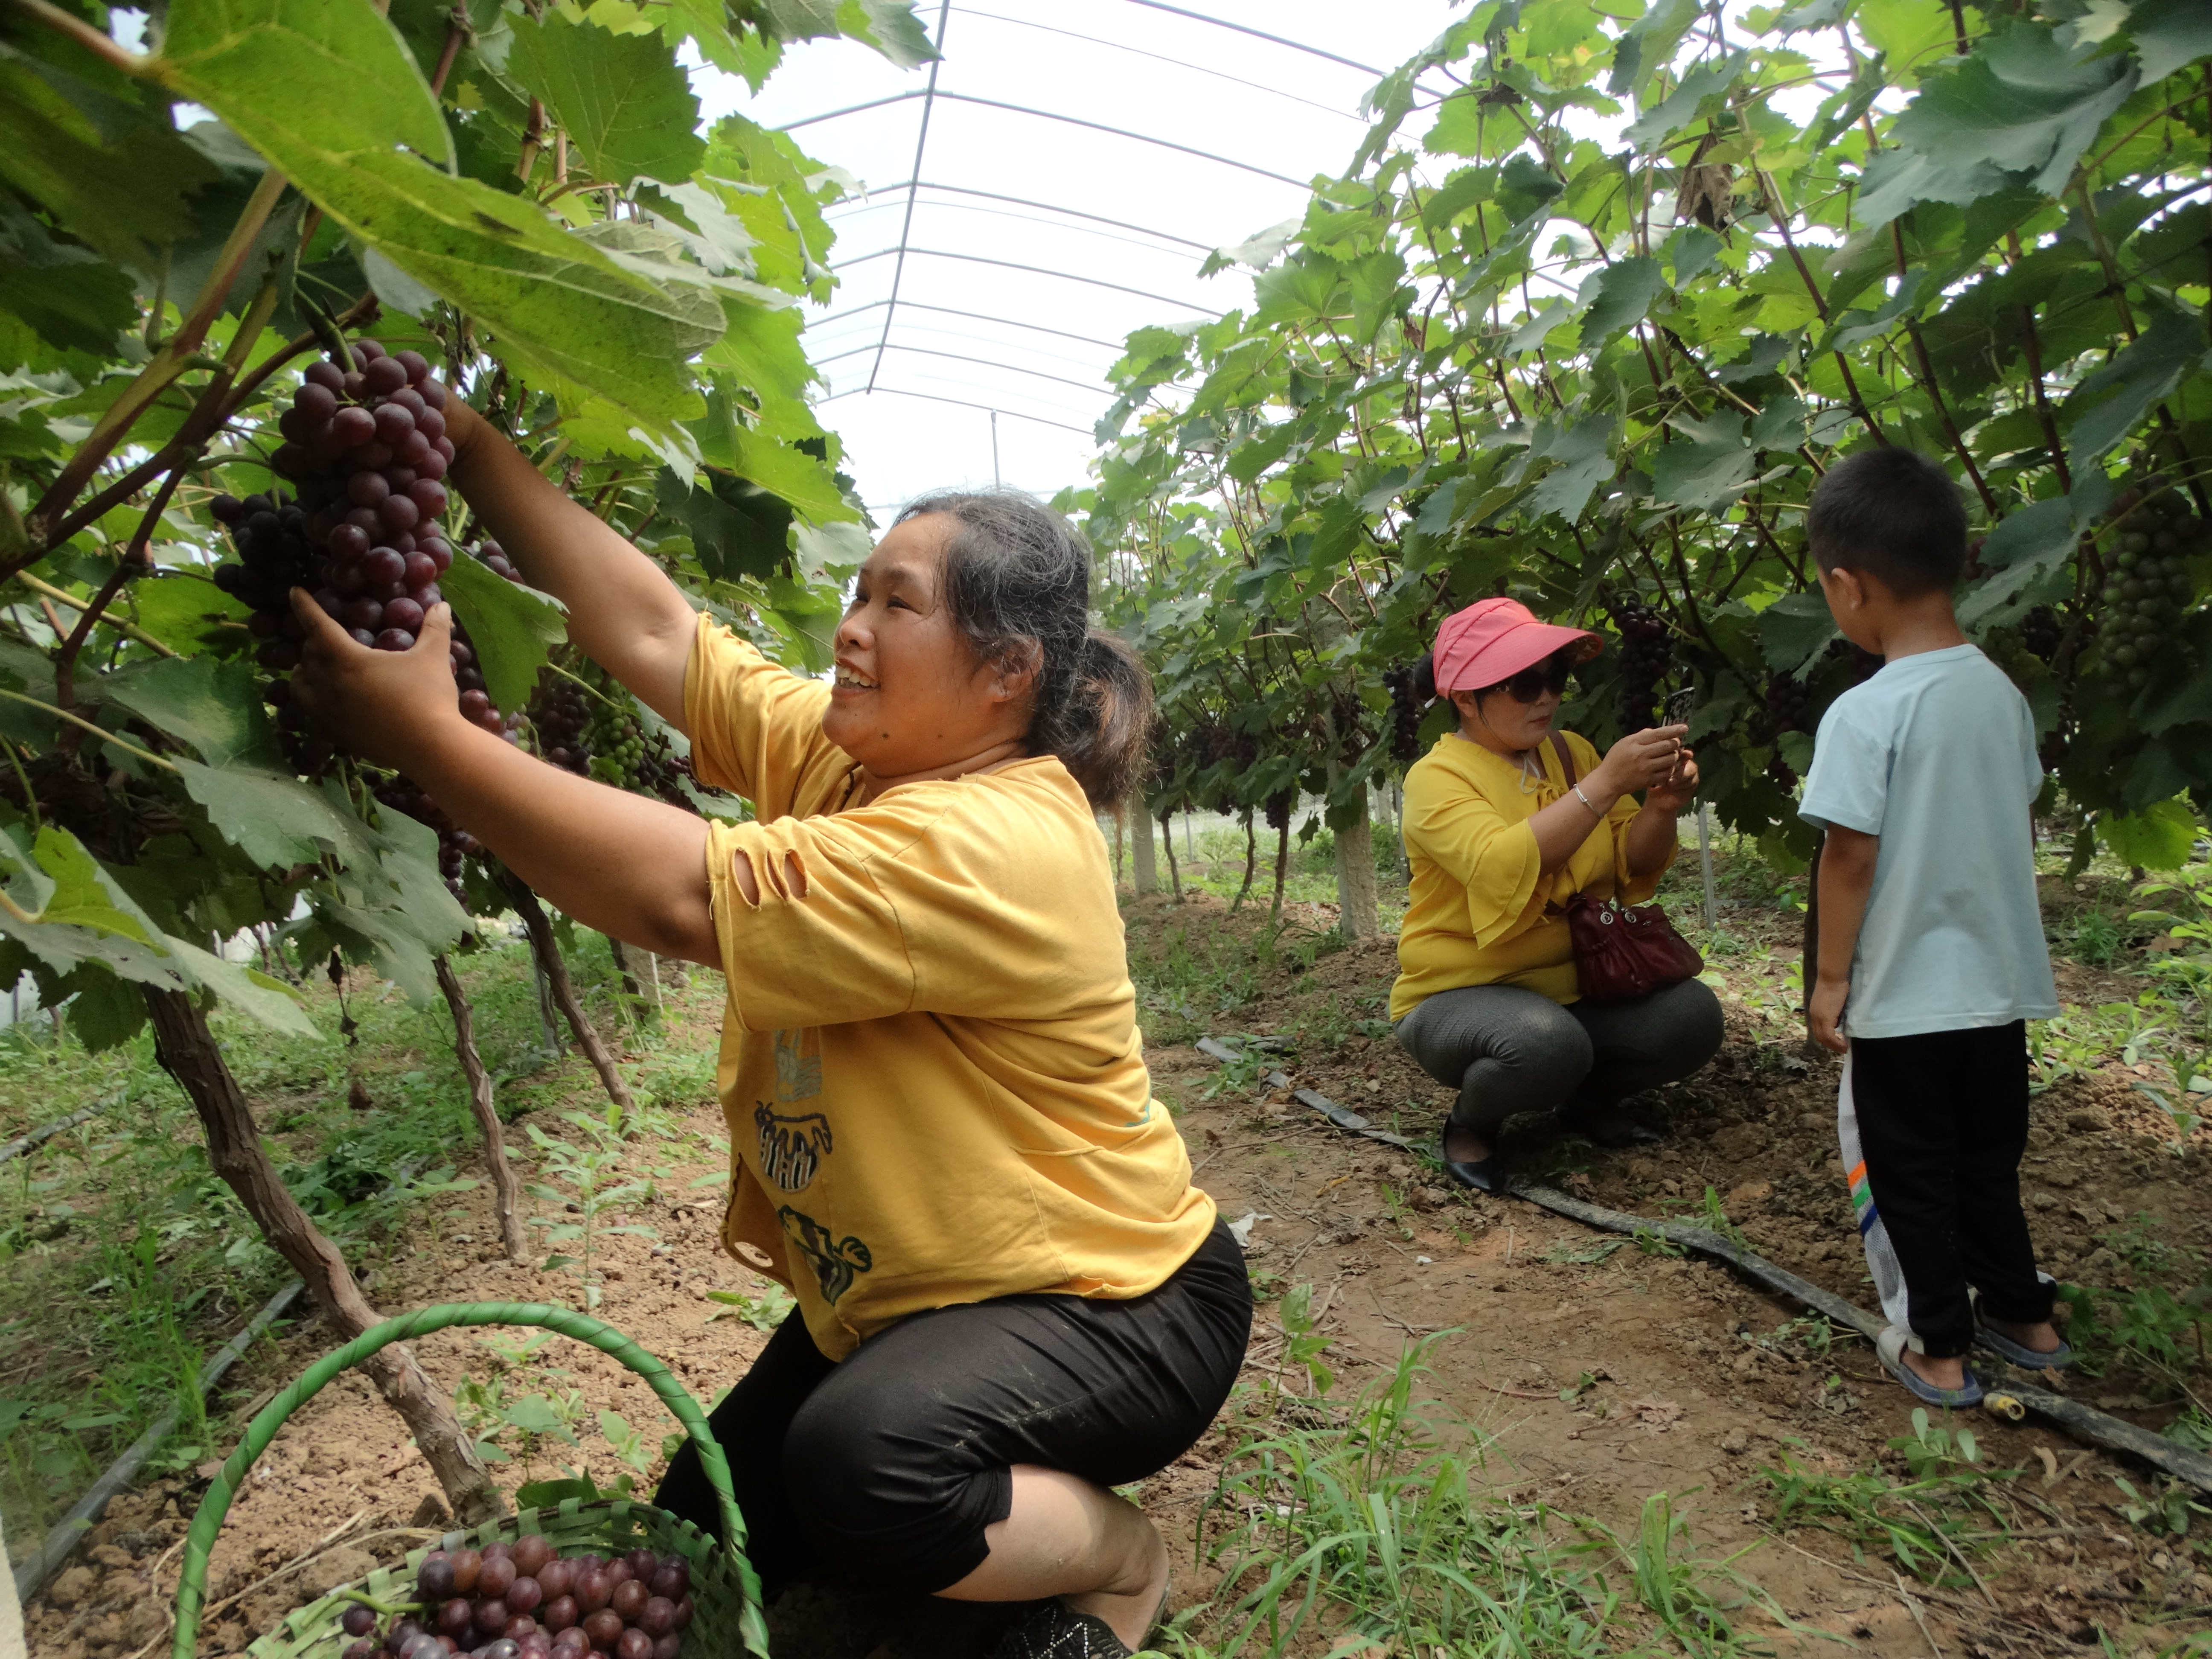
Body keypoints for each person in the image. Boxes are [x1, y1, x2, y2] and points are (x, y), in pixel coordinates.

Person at [287, 406, 1251, 1659]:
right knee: (701, 1527)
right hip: (923, 1308)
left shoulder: (995, 840)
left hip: (1119, 1310)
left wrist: (427, 737)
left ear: (1006, 669)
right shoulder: (862, 761)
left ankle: (1121, 1563)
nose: (849, 629)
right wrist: (468, 446)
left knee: (865, 1467)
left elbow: (677, 894)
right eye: (857, 594)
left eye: (895, 605)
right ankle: (962, 1482)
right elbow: (653, 631)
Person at [1798, 448, 2068, 1408]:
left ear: (1848, 585)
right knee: (1988, 1163)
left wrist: (1832, 980)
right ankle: (2025, 1317)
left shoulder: (1866, 713)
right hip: (1997, 992)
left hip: (1905, 1002)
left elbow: (1850, 857)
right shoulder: (2000, 696)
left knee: (1909, 1175)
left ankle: (1939, 1349)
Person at [1388, 597, 1723, 1192]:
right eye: (1523, 684)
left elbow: (1630, 864)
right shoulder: (1436, 779)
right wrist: (1607, 783)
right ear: (1465, 699)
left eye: (1555, 678)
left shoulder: (1571, 755)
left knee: (1691, 1017)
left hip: (1577, 988)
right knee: (1542, 1044)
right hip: (1460, 996)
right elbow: (1499, 865)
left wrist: (1663, 807)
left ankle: (1583, 1101)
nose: (1546, 696)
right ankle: (1472, 1123)